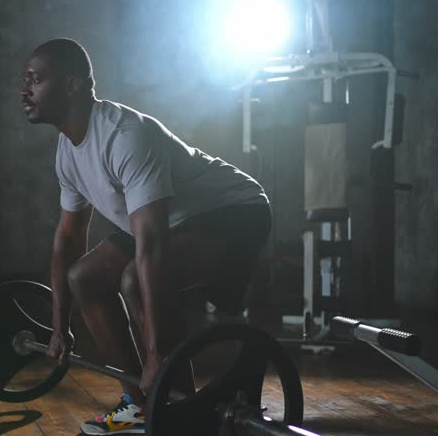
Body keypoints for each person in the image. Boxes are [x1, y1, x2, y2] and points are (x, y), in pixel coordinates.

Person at [22, 38, 271, 435]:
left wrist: (156, 355)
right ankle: (141, 406)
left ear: (73, 84)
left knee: (135, 279)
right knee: (84, 277)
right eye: (26, 80)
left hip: (234, 212)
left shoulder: (125, 135)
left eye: (36, 79)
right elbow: (68, 241)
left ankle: (180, 410)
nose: (25, 90)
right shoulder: (67, 152)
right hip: (172, 220)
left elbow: (151, 246)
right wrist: (58, 326)